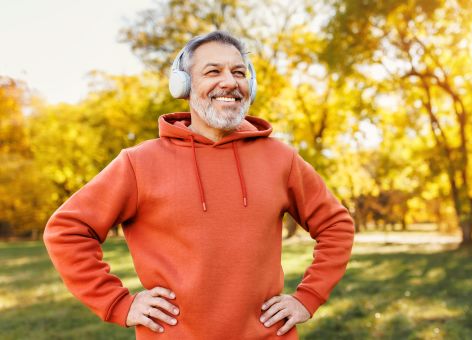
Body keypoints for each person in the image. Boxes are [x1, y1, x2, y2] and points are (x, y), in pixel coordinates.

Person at [43, 30, 355, 339]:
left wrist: (307, 297)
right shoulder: (138, 163)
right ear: (184, 84)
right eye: (213, 71)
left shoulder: (281, 159)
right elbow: (66, 231)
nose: (230, 82)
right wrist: (117, 302)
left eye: (238, 72)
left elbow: (336, 225)